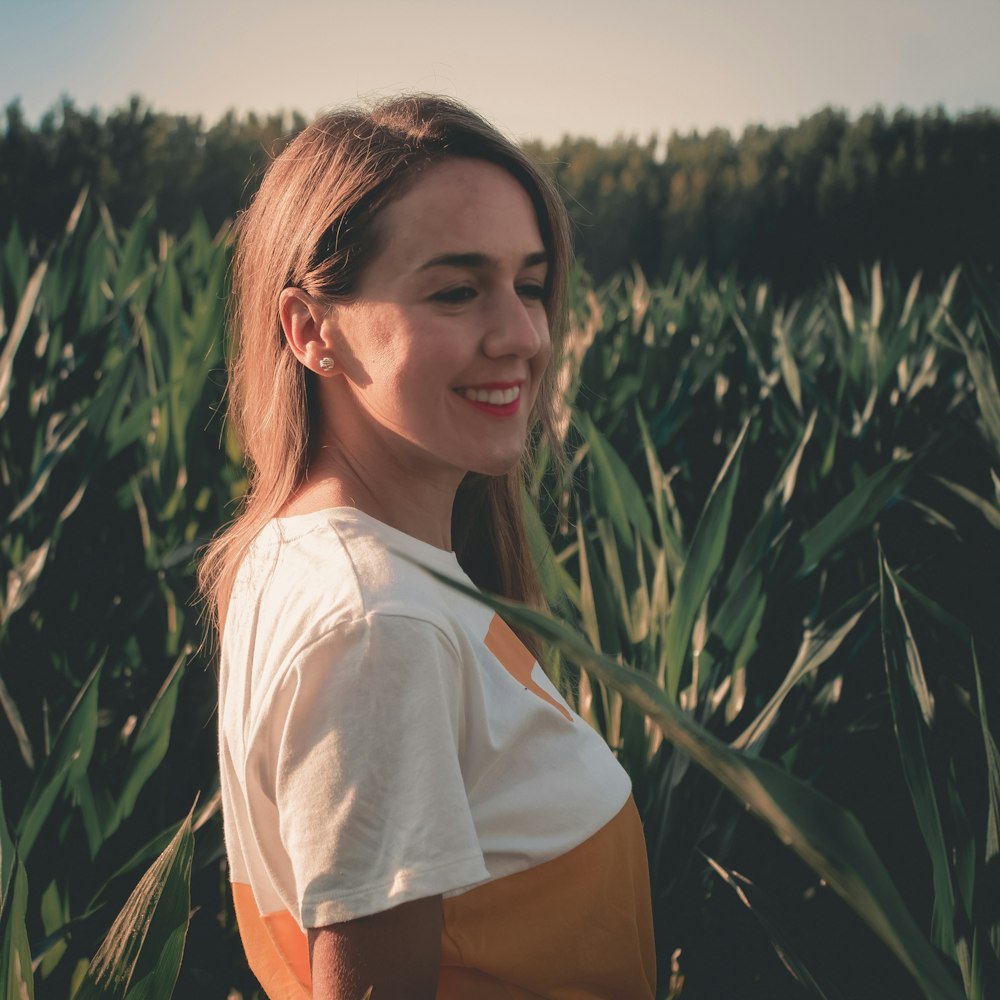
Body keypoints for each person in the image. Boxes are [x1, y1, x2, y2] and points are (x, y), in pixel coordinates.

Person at [202, 94, 655, 999]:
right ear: (310, 330)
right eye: (456, 289)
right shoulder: (379, 624)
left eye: (529, 284)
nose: (525, 335)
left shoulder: (313, 555)